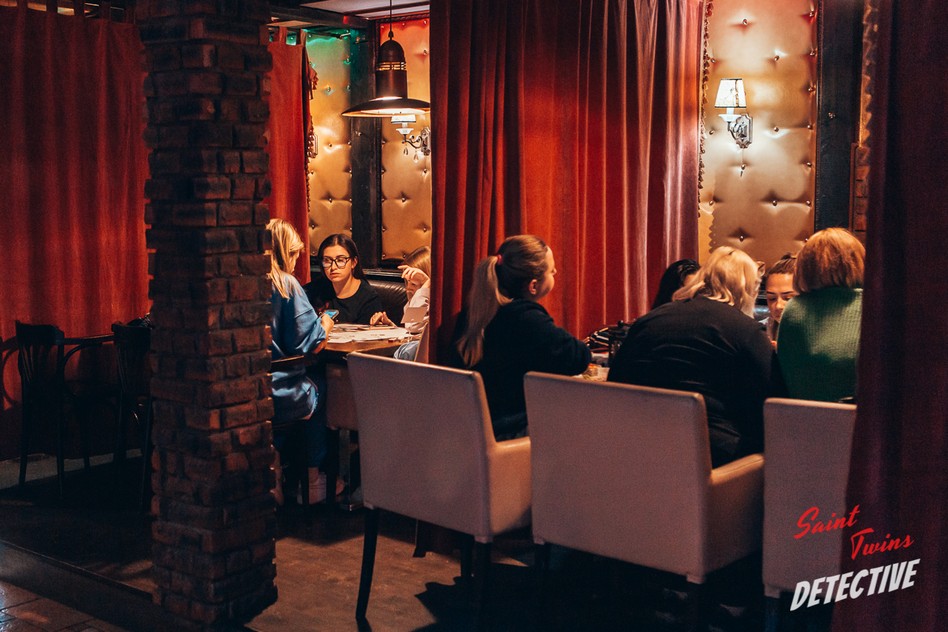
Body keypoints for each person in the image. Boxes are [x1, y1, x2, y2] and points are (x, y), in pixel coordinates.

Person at [608, 246, 783, 467]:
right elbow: (773, 402)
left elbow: (615, 383)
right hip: (713, 456)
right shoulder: (745, 330)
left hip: (639, 447)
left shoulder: (649, 320)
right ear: (747, 289)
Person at [450, 235, 592, 439]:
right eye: (551, 271)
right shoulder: (524, 317)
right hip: (509, 433)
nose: (555, 273)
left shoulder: (474, 312)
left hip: (469, 431)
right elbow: (577, 357)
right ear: (533, 286)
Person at [267, 218, 336, 505]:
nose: (296, 262)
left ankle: (274, 466)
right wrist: (326, 324)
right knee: (321, 387)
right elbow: (313, 344)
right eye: (294, 254)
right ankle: (313, 478)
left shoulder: (243, 281)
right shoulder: (286, 284)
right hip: (280, 392)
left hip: (250, 390)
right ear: (285, 253)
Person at [776, 228, 864, 402]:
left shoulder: (794, 310)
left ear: (805, 267)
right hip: (862, 416)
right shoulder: (874, 305)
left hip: (802, 415)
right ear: (856, 262)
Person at [305, 233, 384, 325]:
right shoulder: (314, 290)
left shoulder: (368, 298)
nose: (333, 267)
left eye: (340, 260)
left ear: (354, 262)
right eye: (327, 260)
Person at [370, 246, 431, 360]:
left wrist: (426, 285)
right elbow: (412, 333)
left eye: (413, 283)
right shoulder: (417, 299)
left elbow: (413, 325)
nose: (408, 288)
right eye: (407, 282)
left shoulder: (430, 300)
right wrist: (391, 327)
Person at [761, 254, 798, 344]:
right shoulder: (761, 331)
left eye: (788, 298)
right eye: (772, 298)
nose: (778, 306)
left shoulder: (821, 333)